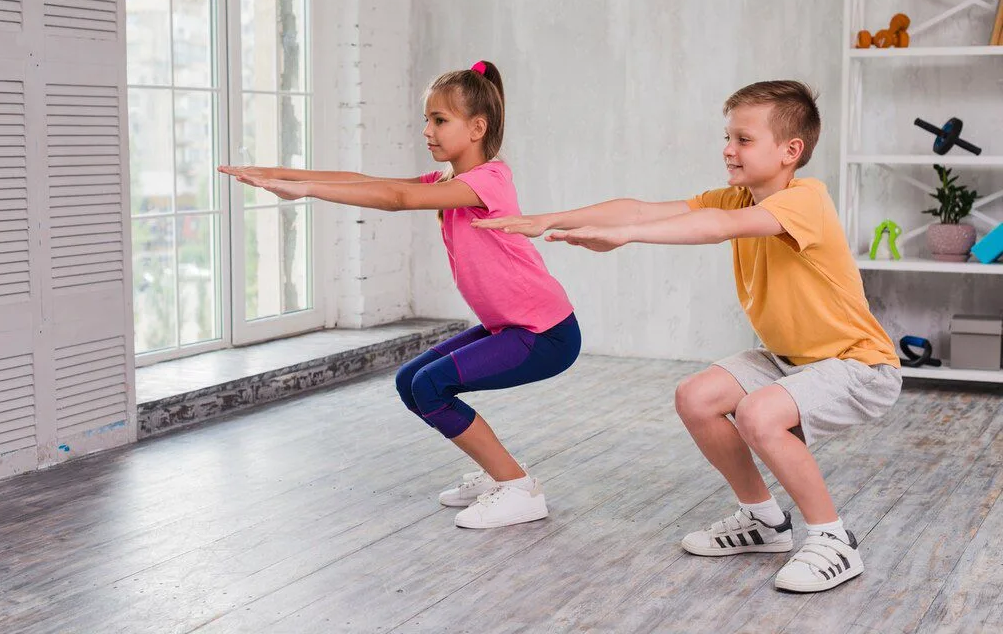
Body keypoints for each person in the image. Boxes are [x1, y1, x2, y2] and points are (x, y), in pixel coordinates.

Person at [475, 80, 901, 590]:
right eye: (728, 137)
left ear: (792, 151)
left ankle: (833, 540)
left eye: (743, 139)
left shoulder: (805, 200)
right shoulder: (738, 196)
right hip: (789, 357)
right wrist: (548, 219)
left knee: (758, 414)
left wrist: (627, 236)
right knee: (696, 397)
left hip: (859, 364)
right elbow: (640, 210)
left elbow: (717, 226)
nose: (728, 149)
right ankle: (764, 522)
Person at [219, 60, 581, 529]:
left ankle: (518, 489)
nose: (426, 130)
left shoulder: (489, 180)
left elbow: (397, 199)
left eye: (439, 120)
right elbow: (369, 183)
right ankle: (502, 475)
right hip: (512, 327)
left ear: (477, 127)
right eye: (426, 119)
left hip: (545, 333)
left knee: (432, 386)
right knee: (412, 381)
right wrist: (279, 175)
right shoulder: (449, 181)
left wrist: (305, 190)